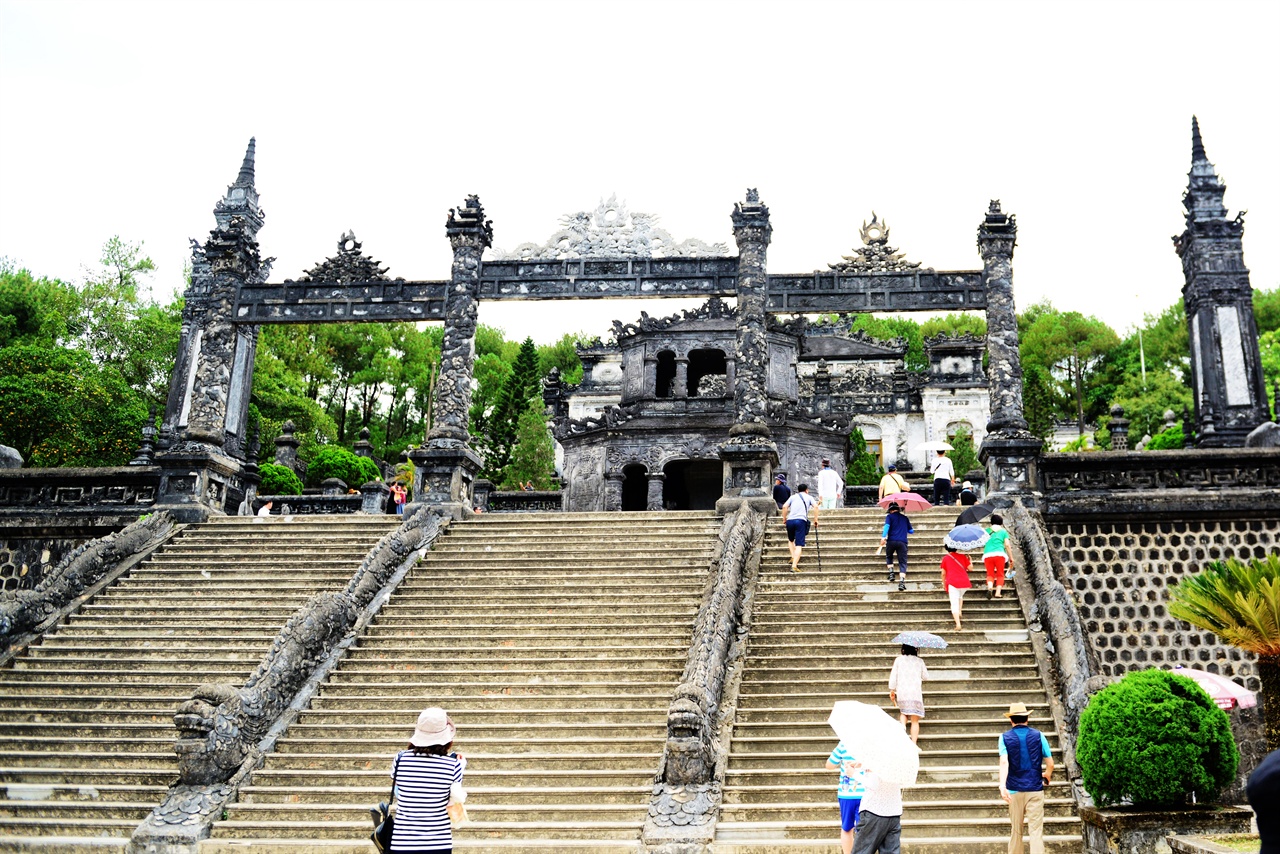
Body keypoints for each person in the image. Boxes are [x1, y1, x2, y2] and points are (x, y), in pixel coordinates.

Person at [387, 707, 466, 853]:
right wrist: (461, 765)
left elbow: (400, 791)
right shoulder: (454, 765)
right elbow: (453, 801)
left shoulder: (400, 759)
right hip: (438, 844)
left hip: (402, 843)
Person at [999, 702, 1054, 854]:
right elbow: (1050, 764)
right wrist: (1047, 776)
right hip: (1035, 789)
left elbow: (1004, 762)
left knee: (1016, 830)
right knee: (1035, 831)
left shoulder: (1004, 738)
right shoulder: (1039, 736)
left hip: (1014, 790)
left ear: (1011, 720)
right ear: (1027, 719)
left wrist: (1002, 786)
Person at [851, 767, 903, 854]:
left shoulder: (877, 758)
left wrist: (854, 774)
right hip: (894, 811)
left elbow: (873, 784)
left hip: (874, 810)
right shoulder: (897, 759)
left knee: (862, 851)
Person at [826, 741, 866, 854]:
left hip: (846, 794)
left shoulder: (844, 744)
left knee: (846, 828)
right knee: (863, 830)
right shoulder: (868, 744)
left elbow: (829, 765)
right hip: (865, 793)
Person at [888, 643, 928, 744]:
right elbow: (926, 676)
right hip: (915, 692)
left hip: (902, 692)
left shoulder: (898, 660)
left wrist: (892, 689)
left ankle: (903, 727)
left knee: (904, 713)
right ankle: (913, 744)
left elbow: (893, 676)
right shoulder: (919, 661)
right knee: (915, 720)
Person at [781, 483, 819, 573]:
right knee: (799, 544)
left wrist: (784, 518)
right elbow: (816, 506)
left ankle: (793, 556)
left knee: (791, 540)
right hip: (801, 520)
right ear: (807, 490)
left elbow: (784, 506)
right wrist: (815, 519)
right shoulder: (809, 497)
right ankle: (794, 566)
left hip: (790, 520)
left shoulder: (793, 497)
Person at [879, 502, 914, 592]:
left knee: (889, 556)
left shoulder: (889, 517)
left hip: (891, 541)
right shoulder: (905, 518)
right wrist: (904, 526)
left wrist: (883, 537)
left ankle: (891, 573)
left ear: (890, 510)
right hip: (902, 542)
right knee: (902, 562)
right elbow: (911, 531)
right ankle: (901, 582)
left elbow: (887, 527)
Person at [940, 544, 972, 631]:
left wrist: (944, 583)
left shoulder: (946, 558)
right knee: (960, 596)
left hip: (953, 582)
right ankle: (960, 611)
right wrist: (970, 560)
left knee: (954, 603)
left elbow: (943, 573)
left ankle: (958, 624)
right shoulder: (962, 556)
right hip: (964, 582)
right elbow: (970, 568)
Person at [983, 513, 1015, 599]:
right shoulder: (1003, 532)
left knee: (990, 574)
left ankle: (990, 587)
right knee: (1000, 574)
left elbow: (983, 543)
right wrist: (1011, 558)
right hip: (1000, 554)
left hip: (988, 554)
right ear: (1001, 522)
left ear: (991, 522)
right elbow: (1007, 545)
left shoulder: (986, 531)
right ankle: (997, 593)